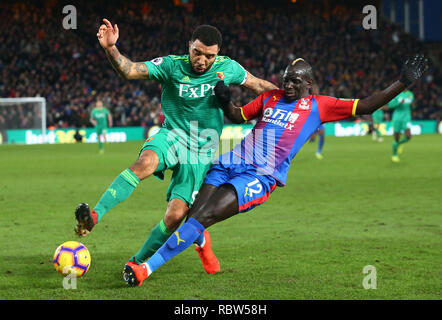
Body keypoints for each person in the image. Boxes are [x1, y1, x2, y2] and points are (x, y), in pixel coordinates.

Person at [121, 54, 428, 286]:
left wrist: (401, 82)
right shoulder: (270, 97)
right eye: (286, 79)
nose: (289, 85)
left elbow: (367, 105)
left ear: (308, 84)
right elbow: (239, 116)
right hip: (229, 162)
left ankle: (144, 269)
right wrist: (225, 101)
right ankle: (200, 240)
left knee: (202, 217)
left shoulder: (319, 105)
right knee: (191, 219)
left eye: (295, 81)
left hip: (260, 176)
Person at [74, 19, 277, 275]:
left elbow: (259, 85)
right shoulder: (171, 65)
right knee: (144, 163)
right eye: (197, 52)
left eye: (209, 56)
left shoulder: (228, 68)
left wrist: (294, 105)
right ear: (188, 46)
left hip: (202, 151)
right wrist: (111, 48)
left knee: (175, 216)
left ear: (217, 54)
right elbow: (130, 70)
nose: (202, 60)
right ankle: (93, 215)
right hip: (173, 135)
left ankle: (136, 262)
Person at [387, 88, 415, 162]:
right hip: (397, 118)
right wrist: (399, 103)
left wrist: (413, 105)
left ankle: (398, 144)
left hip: (406, 118)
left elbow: (413, 106)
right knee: (396, 137)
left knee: (408, 136)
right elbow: (390, 105)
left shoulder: (410, 94)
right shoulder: (396, 94)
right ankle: (394, 155)